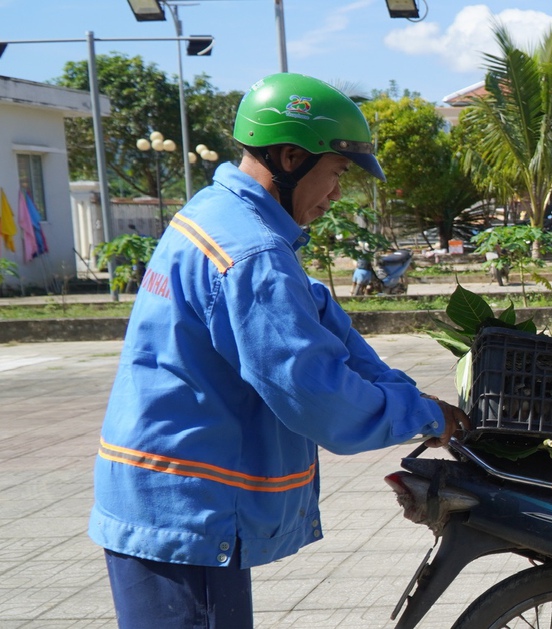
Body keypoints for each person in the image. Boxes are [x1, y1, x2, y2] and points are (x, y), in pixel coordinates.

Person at [89, 73, 470, 628]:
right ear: (292, 157)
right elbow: (314, 394)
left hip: (167, 494)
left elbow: (317, 320)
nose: (338, 193)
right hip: (188, 512)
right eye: (337, 173)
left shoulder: (218, 213)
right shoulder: (253, 253)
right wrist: (422, 414)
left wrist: (404, 393)